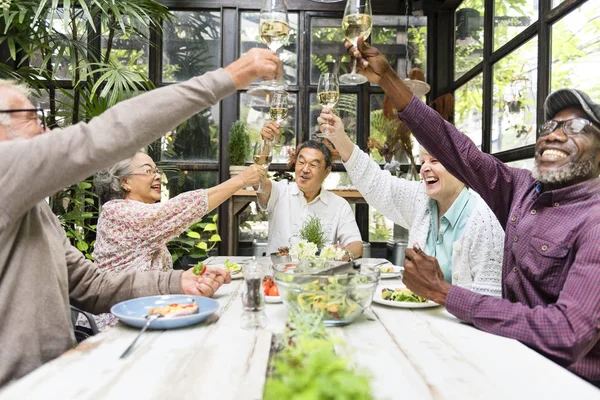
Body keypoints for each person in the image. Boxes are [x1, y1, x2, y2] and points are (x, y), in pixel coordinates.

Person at [0, 47, 280, 386]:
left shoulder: (36, 210)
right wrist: (227, 78)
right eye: (33, 117)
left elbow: (92, 285)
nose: (46, 130)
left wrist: (178, 282)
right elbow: (107, 135)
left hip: (60, 376)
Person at [345, 37, 600, 383]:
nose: (554, 134)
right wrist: (388, 78)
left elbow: (567, 333)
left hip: (563, 382)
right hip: (506, 357)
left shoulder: (594, 220)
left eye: (576, 127)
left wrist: (444, 292)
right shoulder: (523, 189)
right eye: (550, 126)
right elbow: (456, 148)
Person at [312, 111, 503, 296]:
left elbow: (489, 303)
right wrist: (339, 138)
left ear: (462, 166)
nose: (425, 168)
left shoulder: (484, 220)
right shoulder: (423, 200)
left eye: (435, 160)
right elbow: (377, 183)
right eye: (423, 161)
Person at [88, 152, 266, 330]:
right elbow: (181, 209)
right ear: (125, 182)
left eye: (157, 170)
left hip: (148, 315)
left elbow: (159, 279)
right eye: (148, 171)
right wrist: (240, 180)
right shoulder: (117, 213)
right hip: (117, 325)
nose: (157, 175)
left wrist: (193, 278)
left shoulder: (138, 214)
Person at [255, 131, 363, 259]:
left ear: (327, 172)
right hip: (279, 273)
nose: (305, 169)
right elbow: (257, 179)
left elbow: (357, 245)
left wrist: (344, 254)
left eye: (313, 165)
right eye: (301, 162)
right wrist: (266, 143)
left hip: (319, 274)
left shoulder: (339, 205)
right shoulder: (279, 192)